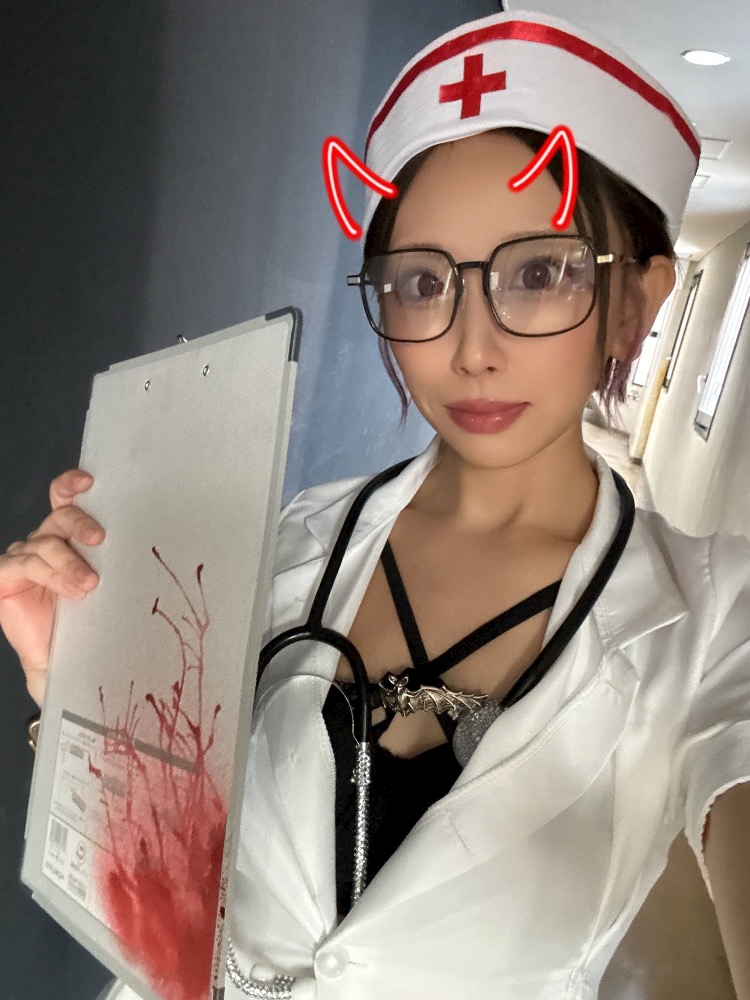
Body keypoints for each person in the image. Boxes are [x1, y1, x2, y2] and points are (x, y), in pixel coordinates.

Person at [3, 9, 750, 1000]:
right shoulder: (280, 544)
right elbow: (154, 872)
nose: (471, 346)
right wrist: (74, 686)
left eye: (539, 273)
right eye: (423, 282)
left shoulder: (714, 619)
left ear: (638, 301)